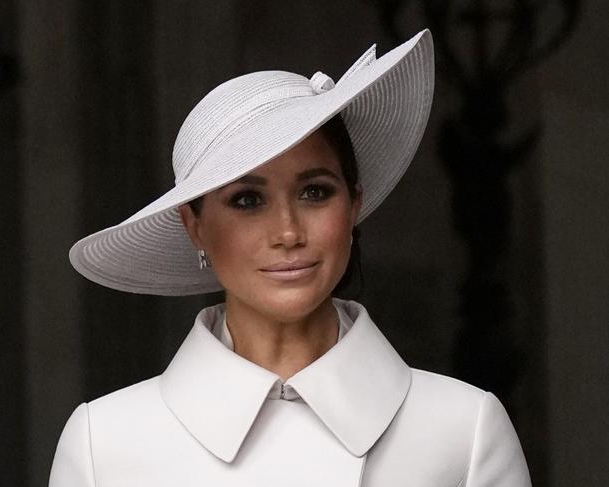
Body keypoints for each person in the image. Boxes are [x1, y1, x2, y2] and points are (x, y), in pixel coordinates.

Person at [49, 30, 532, 486]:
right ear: (193, 225)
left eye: (315, 192)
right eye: (246, 200)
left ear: (354, 203)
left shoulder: (464, 429)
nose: (287, 232)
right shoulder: (105, 443)